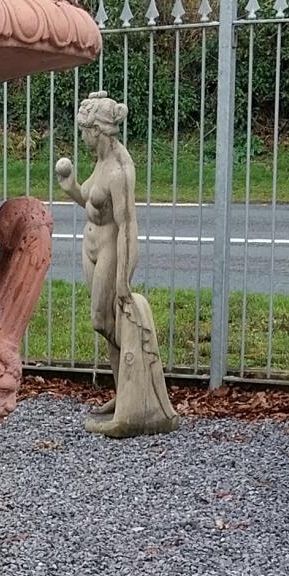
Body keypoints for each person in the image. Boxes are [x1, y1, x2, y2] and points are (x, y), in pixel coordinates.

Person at [55, 94, 177, 439]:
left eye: (84, 131)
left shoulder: (120, 170)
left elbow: (127, 226)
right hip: (90, 246)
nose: (82, 137)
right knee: (108, 322)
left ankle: (139, 392)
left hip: (110, 249)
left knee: (103, 318)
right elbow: (94, 206)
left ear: (98, 130)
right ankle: (124, 394)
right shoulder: (100, 160)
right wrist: (72, 189)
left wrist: (124, 276)